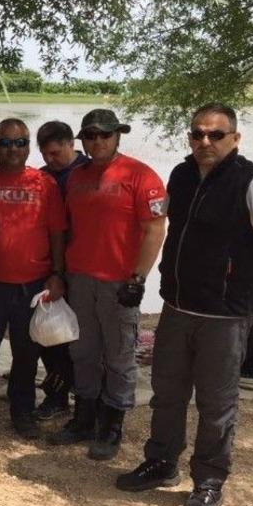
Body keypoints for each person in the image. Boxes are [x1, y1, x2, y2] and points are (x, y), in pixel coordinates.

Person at [117, 103, 253, 506]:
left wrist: (245, 289)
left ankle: (209, 482)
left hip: (225, 318)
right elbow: (167, 230)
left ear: (235, 137)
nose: (205, 141)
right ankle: (162, 463)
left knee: (217, 405)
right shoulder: (180, 175)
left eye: (216, 134)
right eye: (197, 133)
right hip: (177, 307)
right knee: (167, 393)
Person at [50, 110, 167, 461]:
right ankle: (84, 415)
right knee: (82, 351)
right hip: (80, 279)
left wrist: (138, 278)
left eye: (105, 135)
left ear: (118, 136)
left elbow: (154, 229)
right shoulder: (77, 176)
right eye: (90, 136)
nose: (97, 141)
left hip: (119, 282)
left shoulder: (141, 175)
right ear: (82, 140)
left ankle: (112, 423)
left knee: (118, 356)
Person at [0, 119, 67, 439]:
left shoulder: (44, 183)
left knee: (27, 352)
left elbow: (56, 232)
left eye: (20, 142)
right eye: (5, 143)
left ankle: (22, 410)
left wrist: (57, 274)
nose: (13, 149)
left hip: (33, 284)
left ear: (28, 146)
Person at [37, 120, 88, 195]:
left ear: (71, 144)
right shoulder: (41, 176)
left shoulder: (90, 170)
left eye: (54, 153)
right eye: (44, 154)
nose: (49, 160)